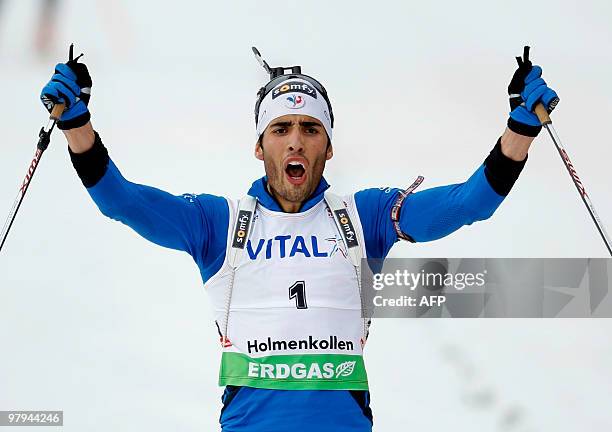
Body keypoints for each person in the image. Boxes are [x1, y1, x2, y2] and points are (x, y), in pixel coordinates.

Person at [39, 45, 558, 432]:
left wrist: (520, 131)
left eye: (310, 130)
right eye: (281, 128)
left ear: (328, 148)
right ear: (259, 145)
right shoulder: (219, 225)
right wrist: (77, 125)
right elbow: (122, 201)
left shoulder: (365, 217)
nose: (295, 140)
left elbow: (467, 204)